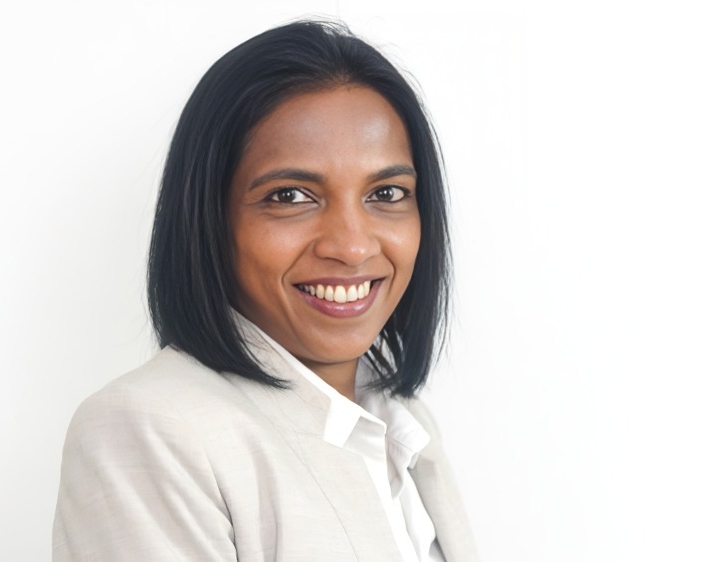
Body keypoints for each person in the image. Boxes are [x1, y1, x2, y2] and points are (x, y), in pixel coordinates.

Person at [53, 20, 479, 562]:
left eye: (387, 193)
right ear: (209, 220)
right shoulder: (149, 428)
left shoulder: (403, 424)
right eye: (291, 196)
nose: (352, 247)